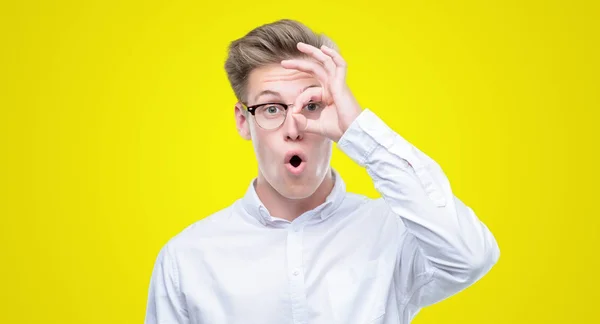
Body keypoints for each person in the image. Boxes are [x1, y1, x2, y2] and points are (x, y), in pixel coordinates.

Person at [144, 19, 500, 324]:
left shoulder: (394, 232)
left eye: (312, 105)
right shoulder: (186, 259)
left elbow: (470, 257)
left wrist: (357, 128)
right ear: (243, 120)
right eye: (271, 108)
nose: (294, 127)